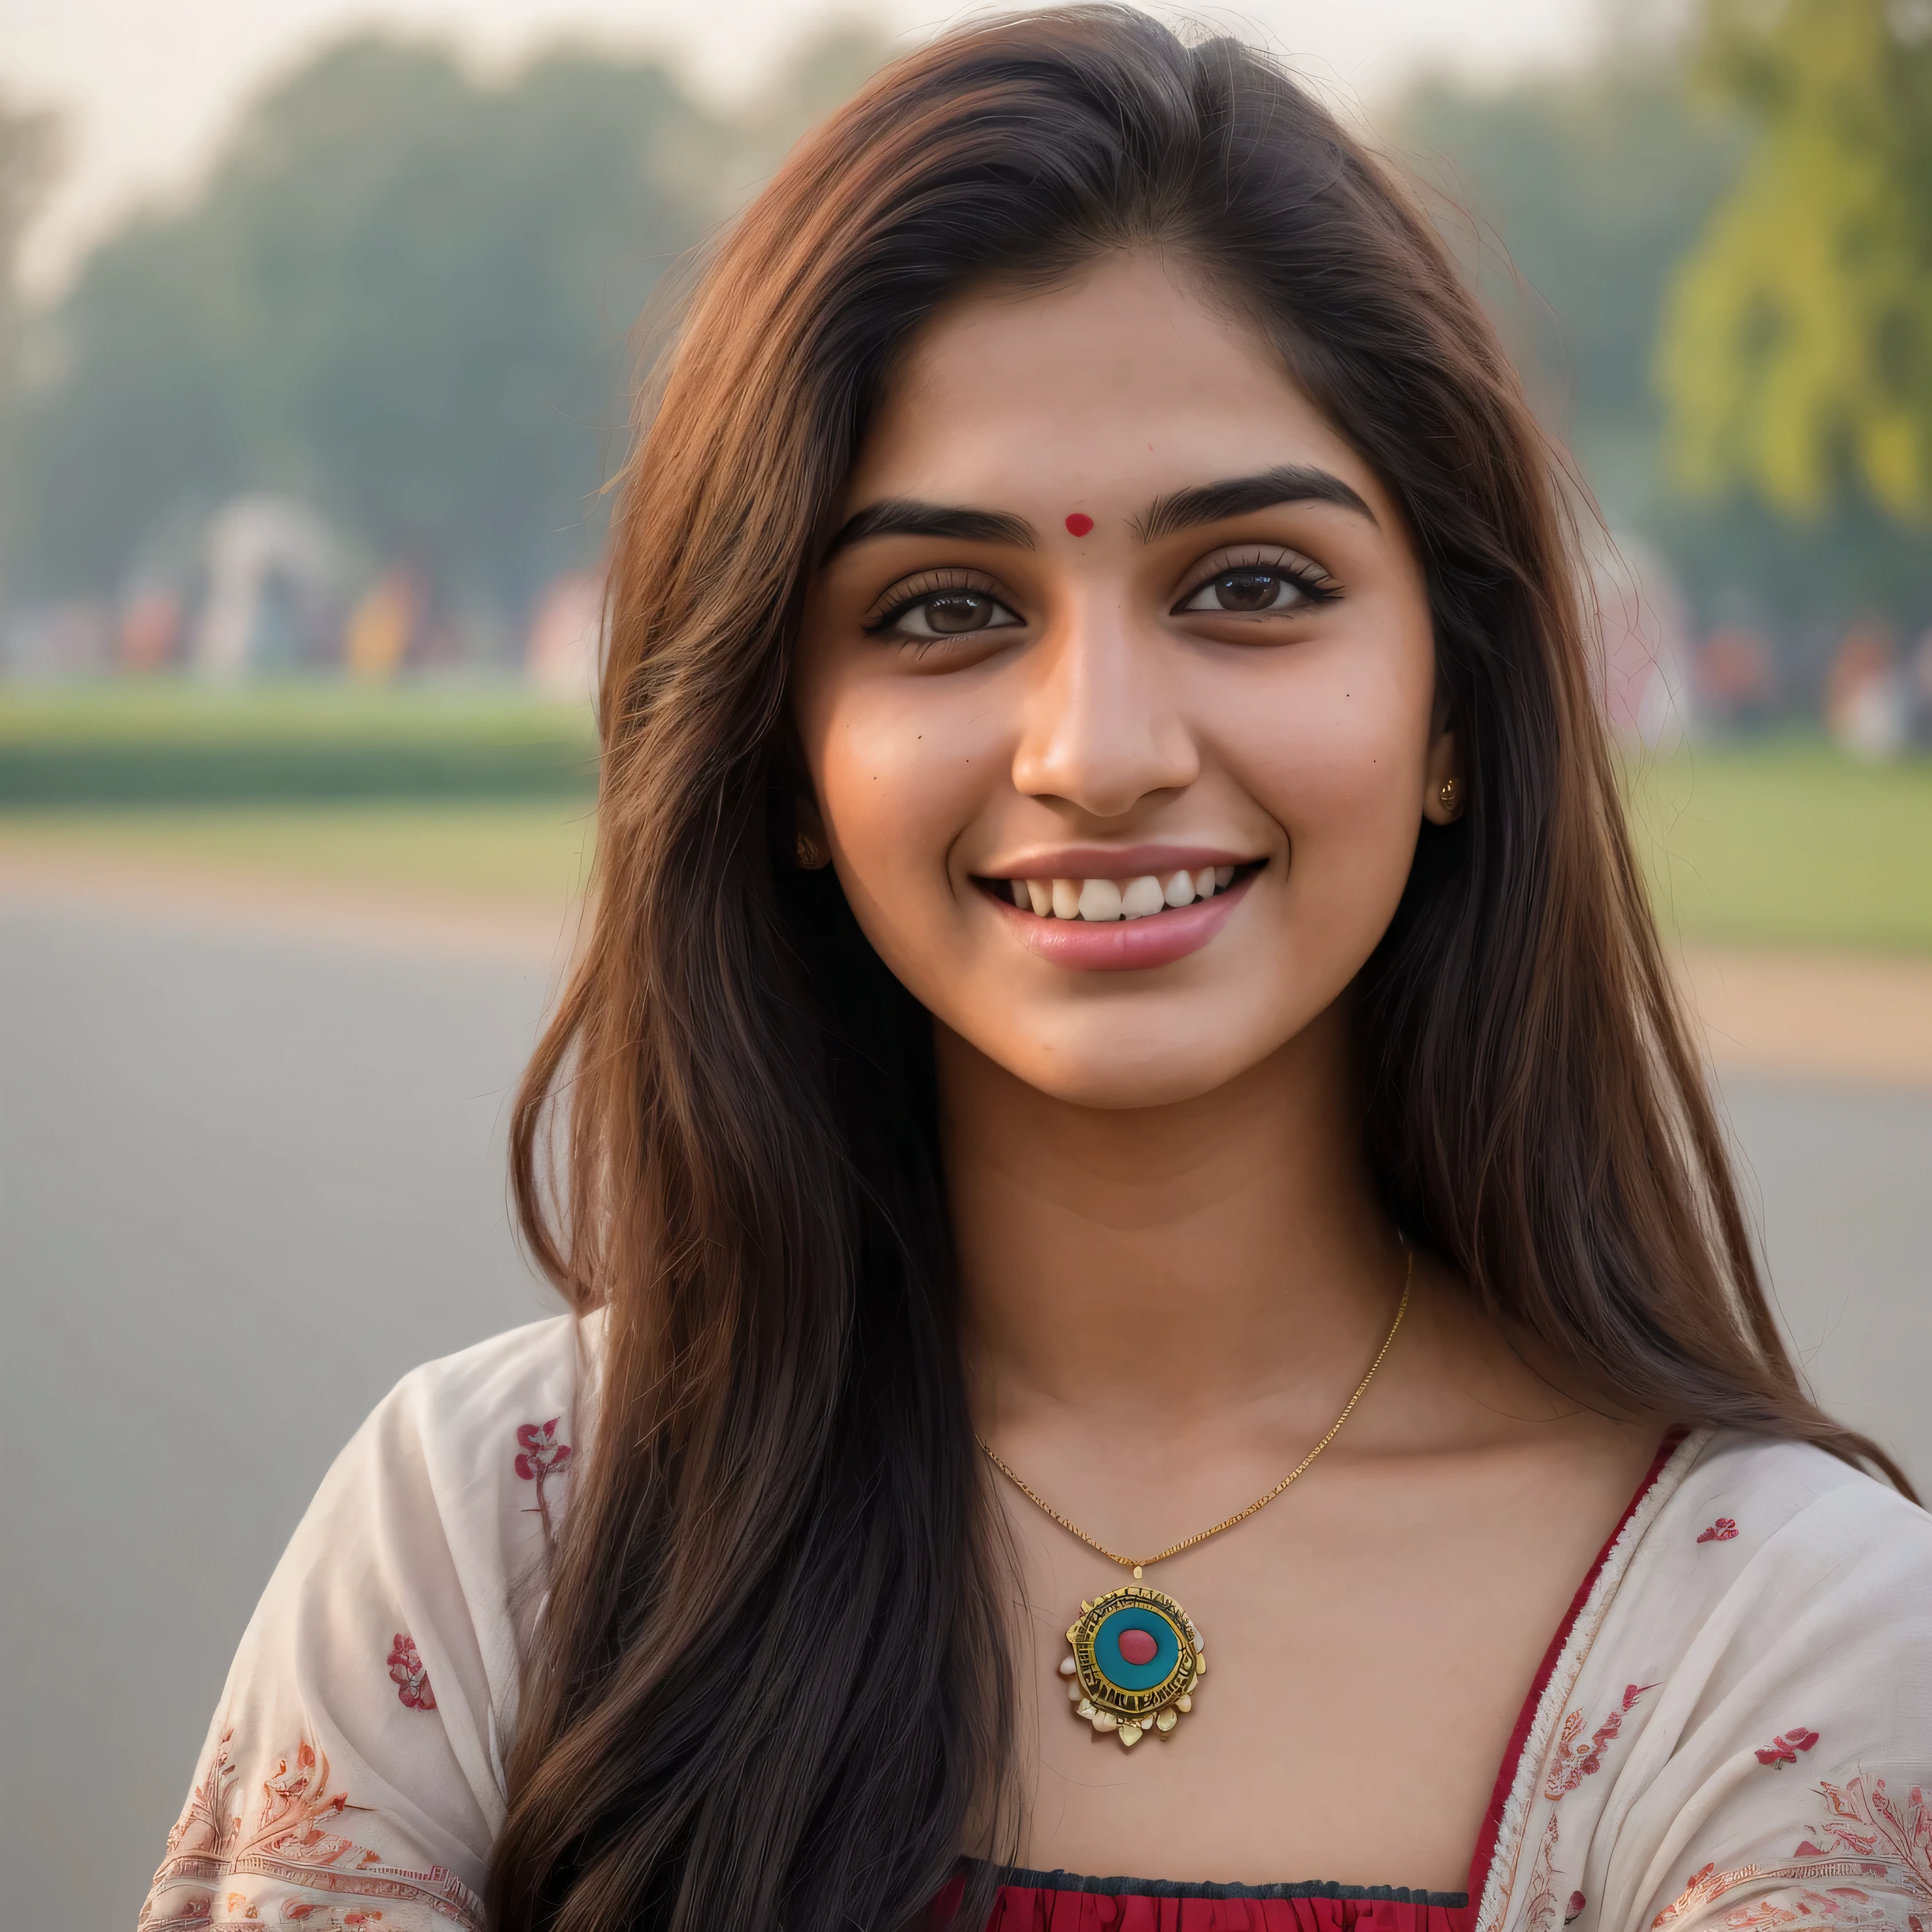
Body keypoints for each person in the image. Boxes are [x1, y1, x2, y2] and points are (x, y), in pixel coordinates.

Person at [138, 11, 1931, 1932]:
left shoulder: (1787, 1636)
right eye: (946, 609)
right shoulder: (493, 1548)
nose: (1098, 748)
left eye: (1249, 583)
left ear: (1455, 710)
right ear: (787, 755)